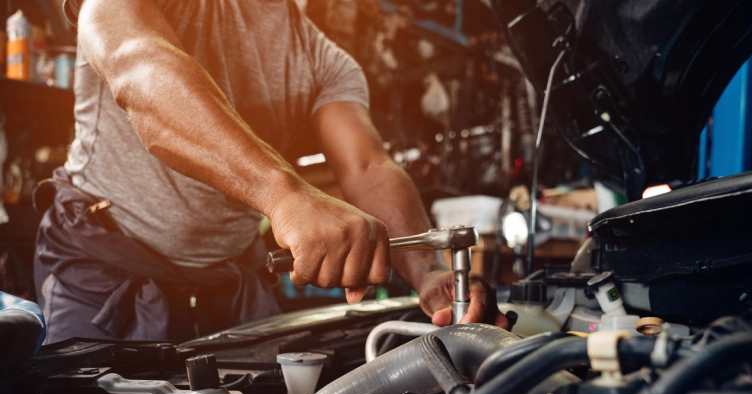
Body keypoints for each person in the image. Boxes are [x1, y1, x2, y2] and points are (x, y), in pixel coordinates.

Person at [34, 0, 507, 343]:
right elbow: (138, 67)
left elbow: (367, 165)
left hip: (229, 285)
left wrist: (428, 270)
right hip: (102, 273)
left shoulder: (324, 60)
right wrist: (286, 197)